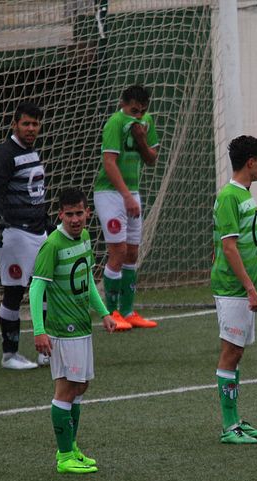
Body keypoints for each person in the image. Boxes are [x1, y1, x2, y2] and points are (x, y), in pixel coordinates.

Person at [30, 188, 117, 474]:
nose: (75, 219)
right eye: (69, 214)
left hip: (81, 326)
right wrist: (39, 330)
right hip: (62, 330)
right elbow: (36, 288)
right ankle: (65, 455)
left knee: (81, 386)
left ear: (87, 213)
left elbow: (88, 280)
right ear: (60, 215)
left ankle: (71, 446)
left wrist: (103, 312)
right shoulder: (52, 245)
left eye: (79, 213)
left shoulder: (86, 239)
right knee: (67, 388)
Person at [210, 136, 257, 445]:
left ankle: (236, 420)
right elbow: (229, 248)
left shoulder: (243, 194)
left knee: (238, 352)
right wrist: (249, 287)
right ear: (249, 162)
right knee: (230, 352)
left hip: (243, 286)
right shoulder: (230, 196)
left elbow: (248, 246)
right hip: (232, 287)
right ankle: (228, 425)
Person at [0, 101, 51, 370]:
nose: (30, 128)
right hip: (14, 234)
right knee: (15, 292)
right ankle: (9, 354)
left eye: (35, 124)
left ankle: (47, 350)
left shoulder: (32, 151)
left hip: (37, 231)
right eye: (26, 123)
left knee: (48, 288)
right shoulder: (6, 153)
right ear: (14, 124)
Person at [93, 84, 160, 331]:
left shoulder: (146, 122)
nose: (138, 116)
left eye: (142, 111)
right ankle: (112, 313)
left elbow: (152, 159)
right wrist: (126, 197)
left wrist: (142, 139)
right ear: (123, 104)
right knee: (118, 252)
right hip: (110, 194)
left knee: (132, 253)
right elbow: (109, 163)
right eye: (134, 110)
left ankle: (128, 311)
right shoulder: (114, 123)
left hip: (132, 193)